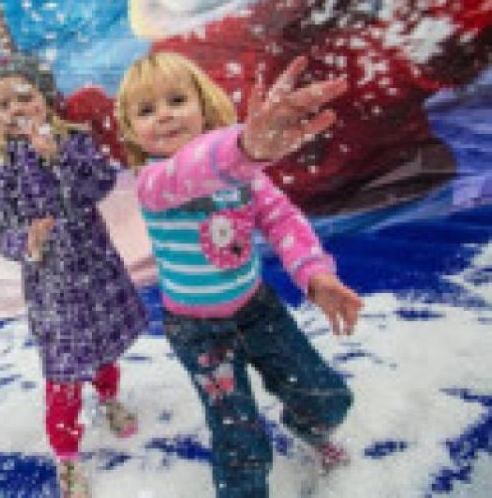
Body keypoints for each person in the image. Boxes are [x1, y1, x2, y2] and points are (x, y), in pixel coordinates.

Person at [115, 51, 364, 498]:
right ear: (132, 132)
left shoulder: (241, 172)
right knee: (241, 443)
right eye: (147, 110)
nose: (165, 116)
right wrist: (246, 147)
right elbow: (190, 171)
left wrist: (315, 275)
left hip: (257, 309)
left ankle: (308, 431)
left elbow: (282, 219)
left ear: (203, 106)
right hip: (199, 333)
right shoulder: (153, 182)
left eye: (176, 100)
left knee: (327, 399)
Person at [0, 53, 148, 498]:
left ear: (46, 102)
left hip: (96, 272)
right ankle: (67, 456)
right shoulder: (1, 171)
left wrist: (59, 158)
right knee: (63, 373)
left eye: (25, 96)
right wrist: (27, 244)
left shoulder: (74, 143)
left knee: (104, 348)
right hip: (52, 289)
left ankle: (110, 398)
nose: (17, 108)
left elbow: (99, 185)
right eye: (5, 102)